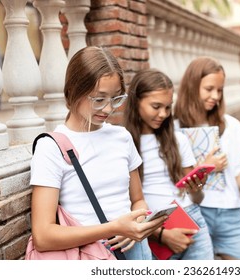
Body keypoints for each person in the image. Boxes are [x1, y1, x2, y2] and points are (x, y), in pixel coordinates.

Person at [29, 46, 166, 260]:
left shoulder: (122, 137)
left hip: (137, 249)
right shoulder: (51, 147)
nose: (108, 109)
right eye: (99, 99)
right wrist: (114, 228)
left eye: (115, 98)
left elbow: (137, 199)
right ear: (73, 91)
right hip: (91, 253)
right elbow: (43, 236)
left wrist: (138, 223)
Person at [173, 56, 240, 260]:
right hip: (192, 214)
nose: (215, 95)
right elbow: (173, 183)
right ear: (192, 86)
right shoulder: (173, 128)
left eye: (220, 90)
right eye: (209, 89)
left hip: (229, 215)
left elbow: (237, 183)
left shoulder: (231, 126)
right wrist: (205, 167)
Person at [123, 68, 214, 260]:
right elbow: (123, 204)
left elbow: (196, 198)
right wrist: (162, 235)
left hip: (190, 220)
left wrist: (197, 188)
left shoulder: (178, 140)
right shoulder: (123, 143)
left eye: (167, 107)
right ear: (136, 102)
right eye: (156, 106)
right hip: (152, 229)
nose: (163, 114)